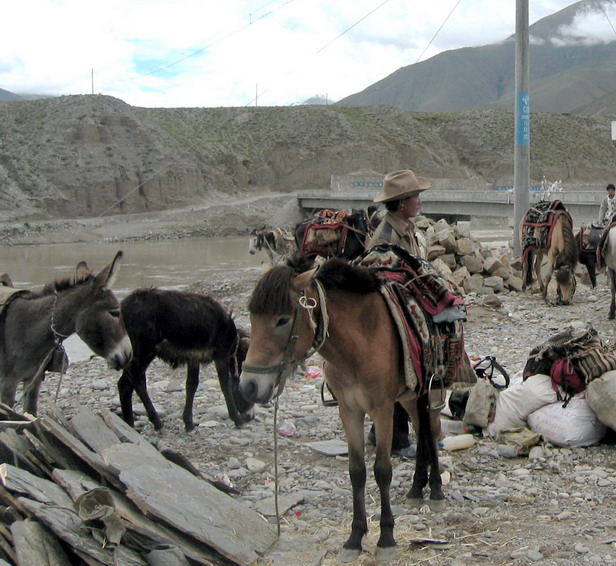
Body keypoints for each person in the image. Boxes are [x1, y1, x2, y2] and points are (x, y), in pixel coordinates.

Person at [365, 169, 432, 456]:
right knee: (398, 370)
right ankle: (396, 438)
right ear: (403, 202)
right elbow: (382, 278)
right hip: (394, 314)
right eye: (415, 196)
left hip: (407, 309)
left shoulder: (405, 228)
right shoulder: (386, 236)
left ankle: (381, 432)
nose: (419, 201)